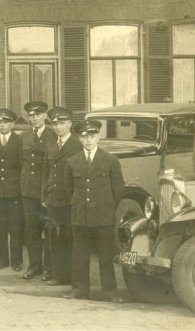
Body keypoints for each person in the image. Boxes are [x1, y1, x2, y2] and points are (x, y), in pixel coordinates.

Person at [64, 120, 125, 303]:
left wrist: (106, 207)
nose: (88, 140)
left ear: (98, 137)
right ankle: (79, 290)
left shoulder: (110, 160)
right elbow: (69, 189)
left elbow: (118, 189)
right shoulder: (72, 161)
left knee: (105, 256)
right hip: (80, 216)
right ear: (79, 139)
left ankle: (110, 292)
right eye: (84, 136)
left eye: (92, 136)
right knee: (79, 256)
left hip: (103, 216)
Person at [41, 107, 82, 286]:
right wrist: (44, 195)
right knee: (54, 238)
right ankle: (58, 274)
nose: (58, 127)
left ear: (70, 124)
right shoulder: (50, 145)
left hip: (70, 199)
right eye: (55, 124)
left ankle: (72, 276)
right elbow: (46, 172)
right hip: (53, 198)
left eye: (62, 123)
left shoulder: (77, 144)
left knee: (71, 238)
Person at [20, 100, 57, 280]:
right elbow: (21, 163)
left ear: (44, 116)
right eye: (31, 115)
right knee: (31, 231)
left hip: (46, 191)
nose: (34, 118)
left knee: (48, 230)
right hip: (28, 191)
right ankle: (34, 265)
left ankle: (49, 268)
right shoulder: (24, 136)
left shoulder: (53, 135)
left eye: (37, 115)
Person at [0, 108, 23, 272]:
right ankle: (0, 260)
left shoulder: (19, 141)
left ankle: (16, 261)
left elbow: (22, 166)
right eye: (0, 122)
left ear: (12, 124)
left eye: (6, 122)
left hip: (14, 192)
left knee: (15, 228)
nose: (2, 125)